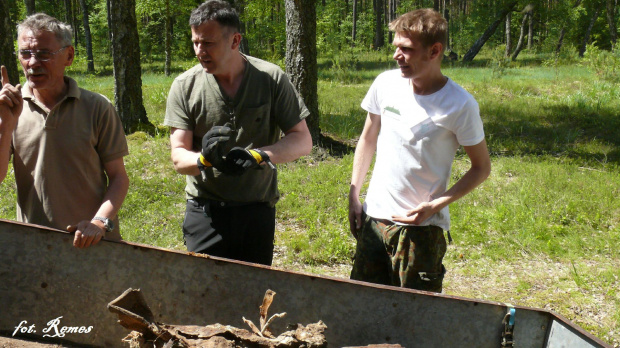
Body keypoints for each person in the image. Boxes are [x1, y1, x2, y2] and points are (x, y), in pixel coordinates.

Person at [348, 9, 491, 292]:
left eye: (406, 49)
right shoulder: (385, 84)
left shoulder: (460, 105)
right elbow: (367, 138)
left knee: (414, 316)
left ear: (434, 50)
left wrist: (435, 206)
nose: (396, 55)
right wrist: (354, 191)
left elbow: (481, 168)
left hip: (421, 230)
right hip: (374, 219)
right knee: (362, 307)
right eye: (396, 47)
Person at [164, 0, 312, 266]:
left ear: (235, 40)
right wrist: (203, 159)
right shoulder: (185, 86)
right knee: (205, 293)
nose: (200, 51)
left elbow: (302, 140)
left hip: (256, 207)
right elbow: (178, 156)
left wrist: (259, 155)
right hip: (205, 208)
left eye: (208, 43)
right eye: (196, 42)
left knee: (254, 297)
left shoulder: (270, 78)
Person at [0, 14, 129, 249]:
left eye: (43, 54)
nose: (32, 62)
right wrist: (6, 125)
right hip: (34, 243)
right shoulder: (10, 109)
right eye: (25, 53)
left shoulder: (97, 107)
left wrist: (99, 223)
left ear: (68, 56)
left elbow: (119, 177)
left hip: (93, 243)